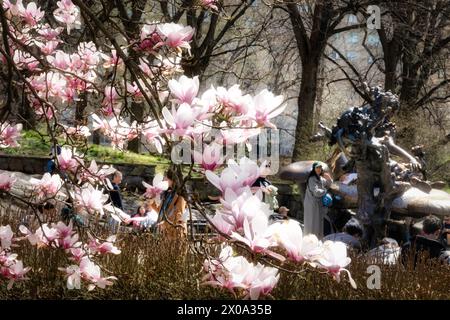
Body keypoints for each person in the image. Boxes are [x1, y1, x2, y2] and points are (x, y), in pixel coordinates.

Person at [153, 168, 187, 240]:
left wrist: (165, 224)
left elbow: (178, 216)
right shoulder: (167, 194)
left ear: (173, 180)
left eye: (166, 177)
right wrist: (152, 200)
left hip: (174, 234)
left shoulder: (180, 197)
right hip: (163, 233)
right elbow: (161, 211)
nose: (164, 180)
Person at [303, 161, 333, 239]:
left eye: (320, 168)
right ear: (314, 169)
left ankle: (317, 239)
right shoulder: (311, 179)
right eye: (317, 168)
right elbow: (316, 192)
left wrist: (329, 178)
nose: (319, 169)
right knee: (311, 223)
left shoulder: (321, 178)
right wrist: (325, 191)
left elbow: (329, 184)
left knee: (318, 223)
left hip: (318, 204)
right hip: (311, 205)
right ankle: (309, 239)